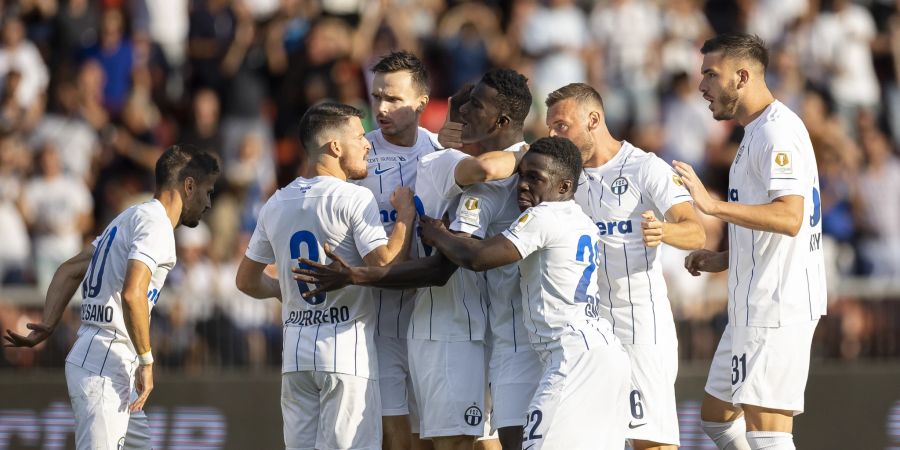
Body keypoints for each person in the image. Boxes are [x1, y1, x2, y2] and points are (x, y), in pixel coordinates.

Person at [296, 137, 631, 450]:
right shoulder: (580, 219)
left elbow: (478, 257)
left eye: (534, 178)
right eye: (521, 175)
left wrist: (436, 235)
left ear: (563, 187)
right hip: (597, 351)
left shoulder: (545, 216)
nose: (523, 185)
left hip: (573, 355)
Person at [296, 69, 532, 450]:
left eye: (475, 106)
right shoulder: (437, 163)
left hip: (498, 333)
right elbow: (443, 267)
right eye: (377, 97)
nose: (382, 108)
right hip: (438, 329)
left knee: (493, 439)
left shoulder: (532, 176)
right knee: (439, 441)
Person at [4, 145, 220, 450]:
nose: (208, 202)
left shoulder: (129, 216)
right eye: (207, 191)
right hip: (106, 362)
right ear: (188, 185)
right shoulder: (157, 225)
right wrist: (147, 360)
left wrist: (50, 323)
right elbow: (133, 294)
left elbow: (70, 269)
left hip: (103, 359)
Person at [234, 102, 417, 450]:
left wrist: (283, 291)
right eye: (359, 137)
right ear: (335, 146)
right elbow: (385, 263)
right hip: (345, 354)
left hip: (296, 358)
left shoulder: (276, 202)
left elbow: (245, 280)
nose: (367, 144)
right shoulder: (353, 198)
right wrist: (406, 214)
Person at [674, 33, 827, 450]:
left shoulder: (777, 133)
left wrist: (713, 206)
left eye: (710, 74)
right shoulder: (754, 132)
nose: (702, 86)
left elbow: (790, 217)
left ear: (742, 77)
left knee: (767, 434)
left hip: (777, 305)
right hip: (753, 303)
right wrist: (725, 258)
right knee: (718, 421)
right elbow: (771, 223)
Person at [544, 82, 706, 450]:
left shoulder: (645, 167)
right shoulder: (564, 177)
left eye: (561, 125)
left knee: (650, 442)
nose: (553, 134)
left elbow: (696, 232)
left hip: (640, 330)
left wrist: (662, 231)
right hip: (587, 333)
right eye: (550, 127)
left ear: (593, 119)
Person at [354, 50, 438, 449]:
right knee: (393, 437)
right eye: (376, 98)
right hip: (377, 321)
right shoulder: (356, 158)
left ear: (422, 102)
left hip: (434, 319)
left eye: (393, 99)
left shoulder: (442, 155)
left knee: (436, 436)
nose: (381, 108)